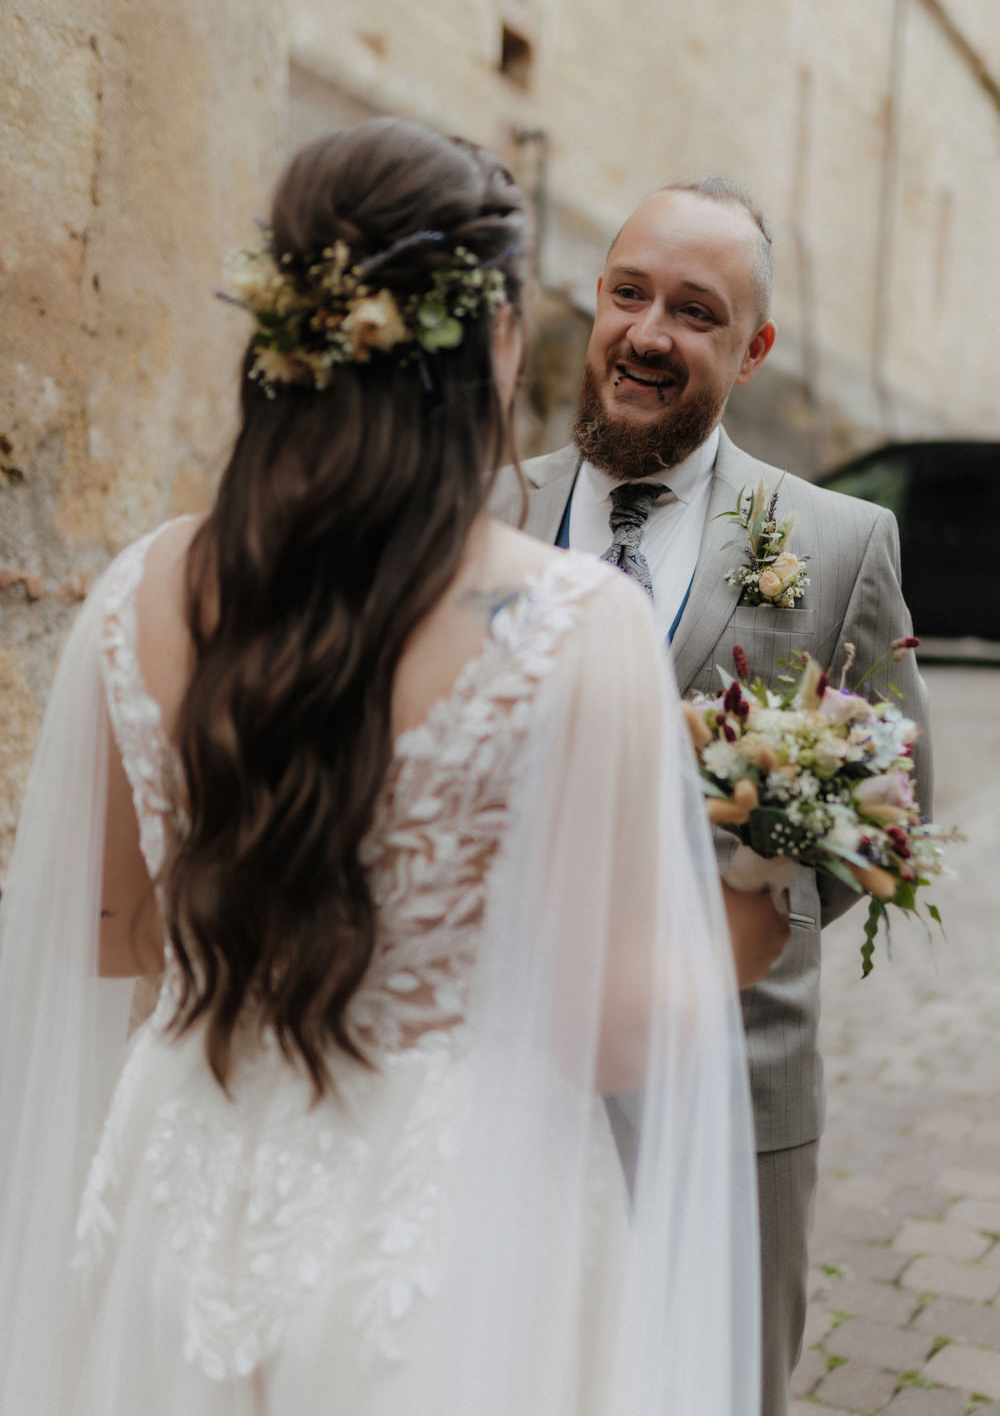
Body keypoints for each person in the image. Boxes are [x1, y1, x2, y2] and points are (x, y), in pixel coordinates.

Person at [0, 122, 769, 1415]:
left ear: (283, 326)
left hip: (183, 1183)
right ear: (499, 338)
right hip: (451, 1228)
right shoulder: (574, 627)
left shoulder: (136, 589)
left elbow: (112, 935)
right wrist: (741, 906)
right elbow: (616, 1032)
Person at [490, 177, 933, 1416]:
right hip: (485, 1069)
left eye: (695, 311)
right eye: (628, 293)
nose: (646, 333)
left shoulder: (837, 543)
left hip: (732, 1082)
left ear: (754, 350)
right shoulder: (477, 512)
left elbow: (891, 813)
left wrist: (721, 937)